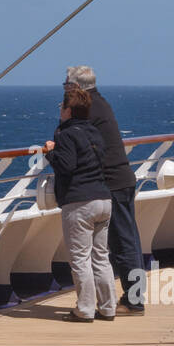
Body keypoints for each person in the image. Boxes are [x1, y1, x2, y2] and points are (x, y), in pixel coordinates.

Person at [64, 65, 145, 313]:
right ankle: (133, 297)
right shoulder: (101, 103)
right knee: (129, 241)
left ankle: (134, 301)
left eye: (67, 85)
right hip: (122, 178)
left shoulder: (87, 109)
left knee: (123, 244)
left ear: (76, 87)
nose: (65, 90)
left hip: (112, 183)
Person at [43, 85, 117, 322]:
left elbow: (66, 165)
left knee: (80, 258)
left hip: (80, 202)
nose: (59, 111)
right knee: (101, 257)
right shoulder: (94, 132)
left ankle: (84, 310)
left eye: (61, 106)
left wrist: (49, 153)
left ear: (68, 111)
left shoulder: (66, 134)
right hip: (104, 200)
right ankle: (108, 307)